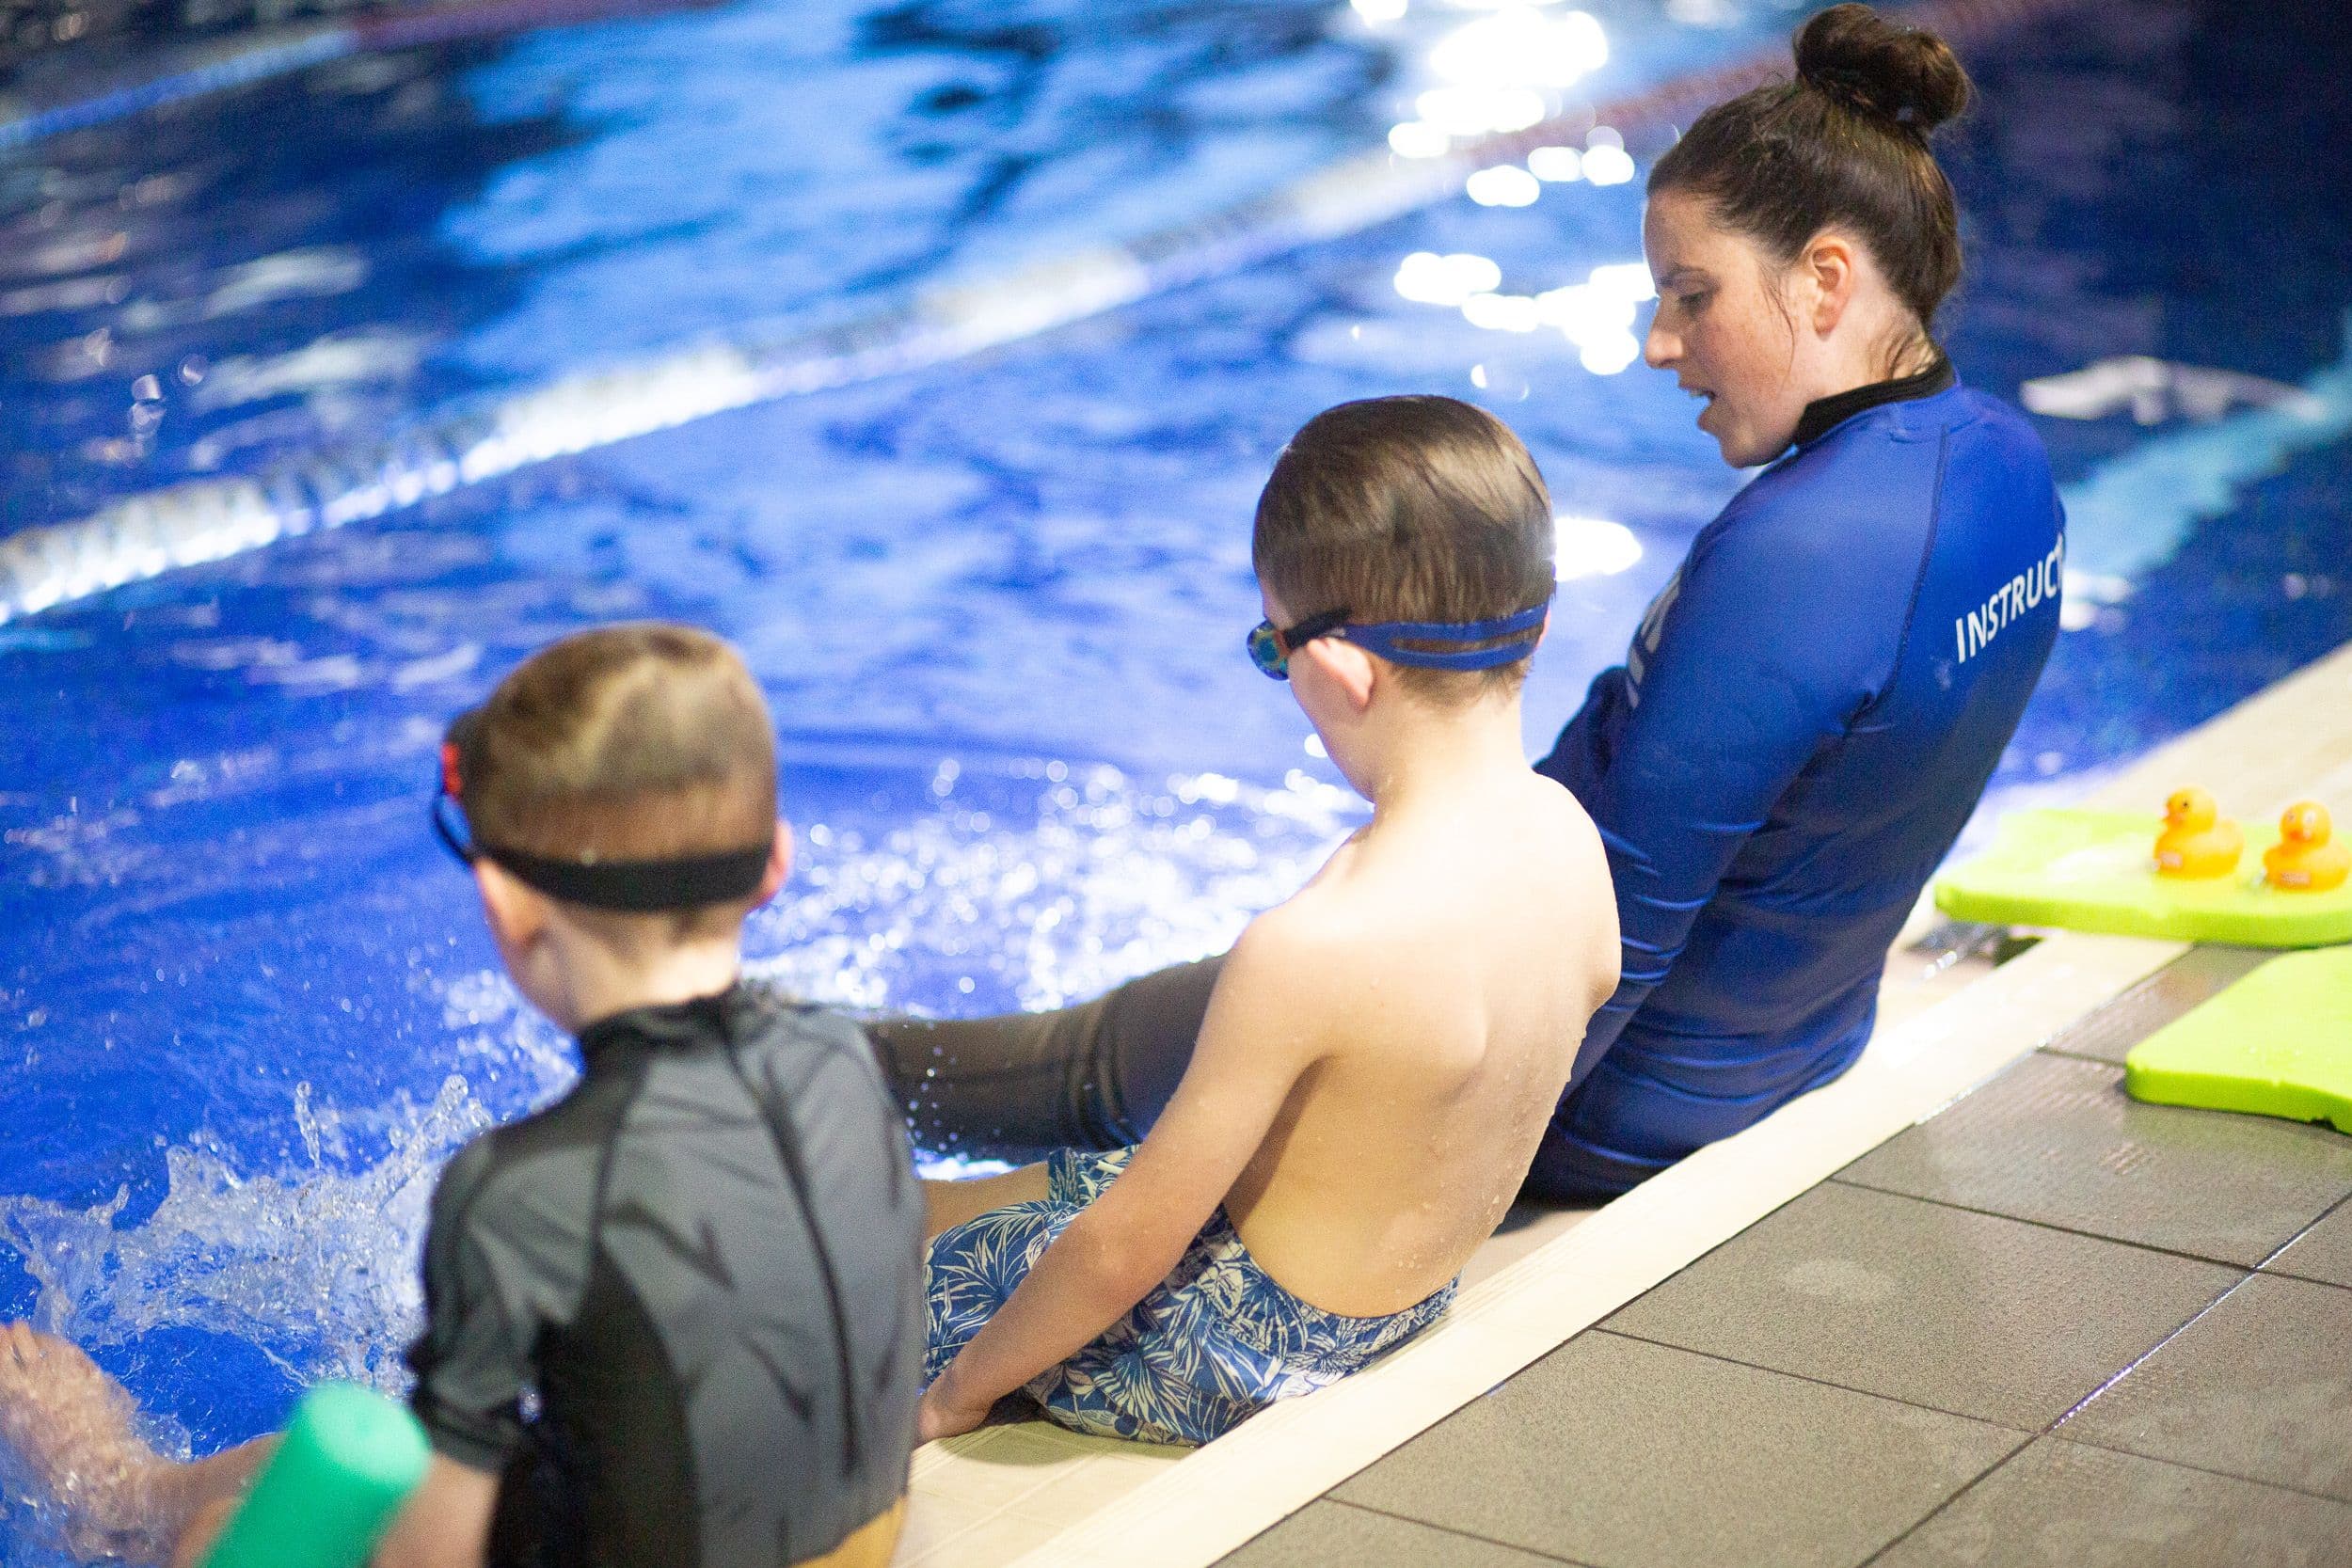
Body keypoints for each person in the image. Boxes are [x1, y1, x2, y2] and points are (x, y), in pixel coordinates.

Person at [869, 2, 2063, 1203]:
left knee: (1091, 1060)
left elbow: (1611, 935)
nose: (1660, 344)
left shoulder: (1801, 554)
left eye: (1691, 295)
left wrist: (1428, 1185)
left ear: (1824, 280)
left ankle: (765, 1076)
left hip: (1605, 1106)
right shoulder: (2008, 473)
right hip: (1794, 1046)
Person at [0, 625, 924, 1568]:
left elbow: (426, 1561)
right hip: (857, 1543)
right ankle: (126, 1495)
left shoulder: (532, 1188)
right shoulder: (846, 1056)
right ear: (776, 863)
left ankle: (102, 1487)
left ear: (506, 908)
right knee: (323, 1463)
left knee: (221, 1539)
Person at [913, 396, 1619, 1448]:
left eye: (1268, 645)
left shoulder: (1318, 943)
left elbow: (1121, 1251)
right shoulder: (1572, 843)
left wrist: (957, 1393)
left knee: (858, 1297)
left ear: (1335, 668)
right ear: (1539, 617)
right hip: (1393, 1299)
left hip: (1227, 1354)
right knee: (951, 1197)